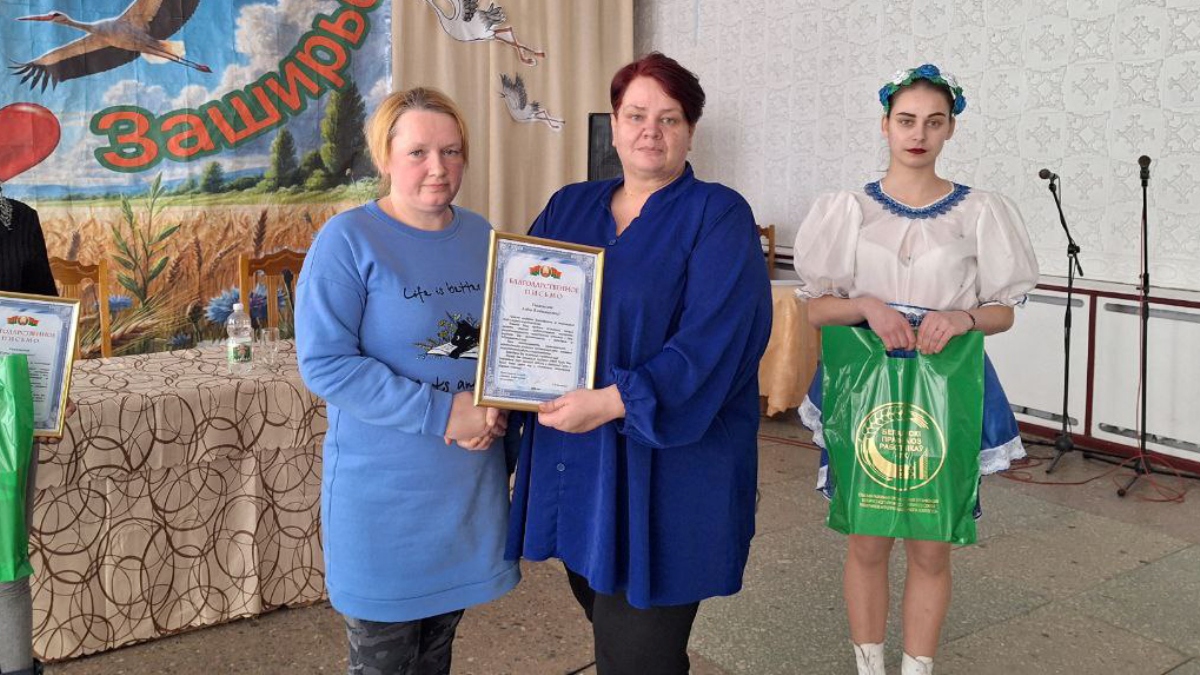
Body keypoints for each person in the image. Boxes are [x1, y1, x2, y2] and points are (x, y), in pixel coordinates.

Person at [505, 53, 773, 675]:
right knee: (613, 625)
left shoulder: (718, 213)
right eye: (636, 115)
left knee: (635, 652)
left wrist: (613, 401)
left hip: (670, 468)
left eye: (669, 118)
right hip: (581, 460)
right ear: (615, 124)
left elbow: (718, 341)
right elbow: (523, 310)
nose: (651, 130)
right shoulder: (569, 206)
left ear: (690, 131)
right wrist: (498, 385)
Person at [793, 64, 1040, 675]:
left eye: (934, 122)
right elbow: (817, 309)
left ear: (951, 128)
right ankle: (869, 667)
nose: (918, 134)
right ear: (885, 125)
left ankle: (917, 669)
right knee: (867, 537)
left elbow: (1004, 311)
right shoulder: (848, 209)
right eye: (906, 120)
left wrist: (963, 318)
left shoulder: (980, 211)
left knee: (932, 545)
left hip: (945, 386)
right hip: (864, 389)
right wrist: (867, 306)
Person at [295, 87, 519, 675]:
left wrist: (498, 406)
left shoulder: (481, 235)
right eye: (418, 152)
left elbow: (504, 343)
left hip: (466, 493)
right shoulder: (347, 241)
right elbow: (326, 363)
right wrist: (445, 413)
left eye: (451, 151)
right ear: (385, 157)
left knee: (435, 659)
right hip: (385, 505)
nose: (437, 168)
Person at [0, 186, 58, 675]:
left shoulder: (19, 220)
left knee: (6, 559)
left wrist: (54, 382)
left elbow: (46, 313)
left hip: (12, 413)